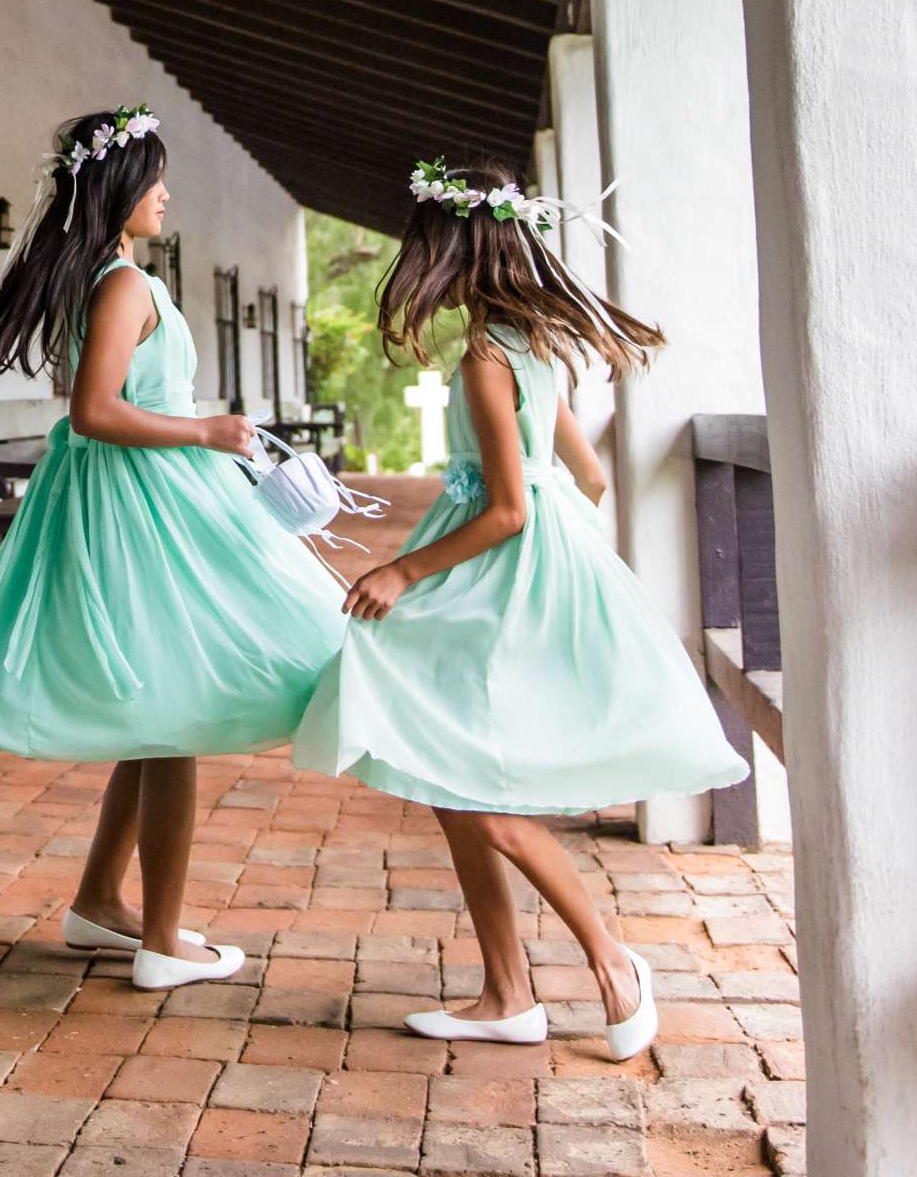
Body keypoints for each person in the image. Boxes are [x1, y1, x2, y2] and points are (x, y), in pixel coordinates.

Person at [292, 157, 748, 1061]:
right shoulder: (534, 348)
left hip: (493, 575)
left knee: (481, 794)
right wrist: (559, 550)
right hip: (524, 571)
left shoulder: (487, 356)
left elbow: (507, 510)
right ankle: (506, 991)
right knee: (447, 778)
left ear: (456, 251)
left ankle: (614, 961)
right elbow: (588, 477)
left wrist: (406, 571)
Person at [0, 106, 346, 990]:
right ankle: (161, 941)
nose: (166, 194)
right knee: (177, 709)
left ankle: (98, 905)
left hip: (140, 498)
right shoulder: (122, 286)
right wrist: (206, 432)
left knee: (160, 704)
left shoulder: (114, 280)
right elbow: (95, 412)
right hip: (142, 507)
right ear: (119, 190)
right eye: (154, 177)